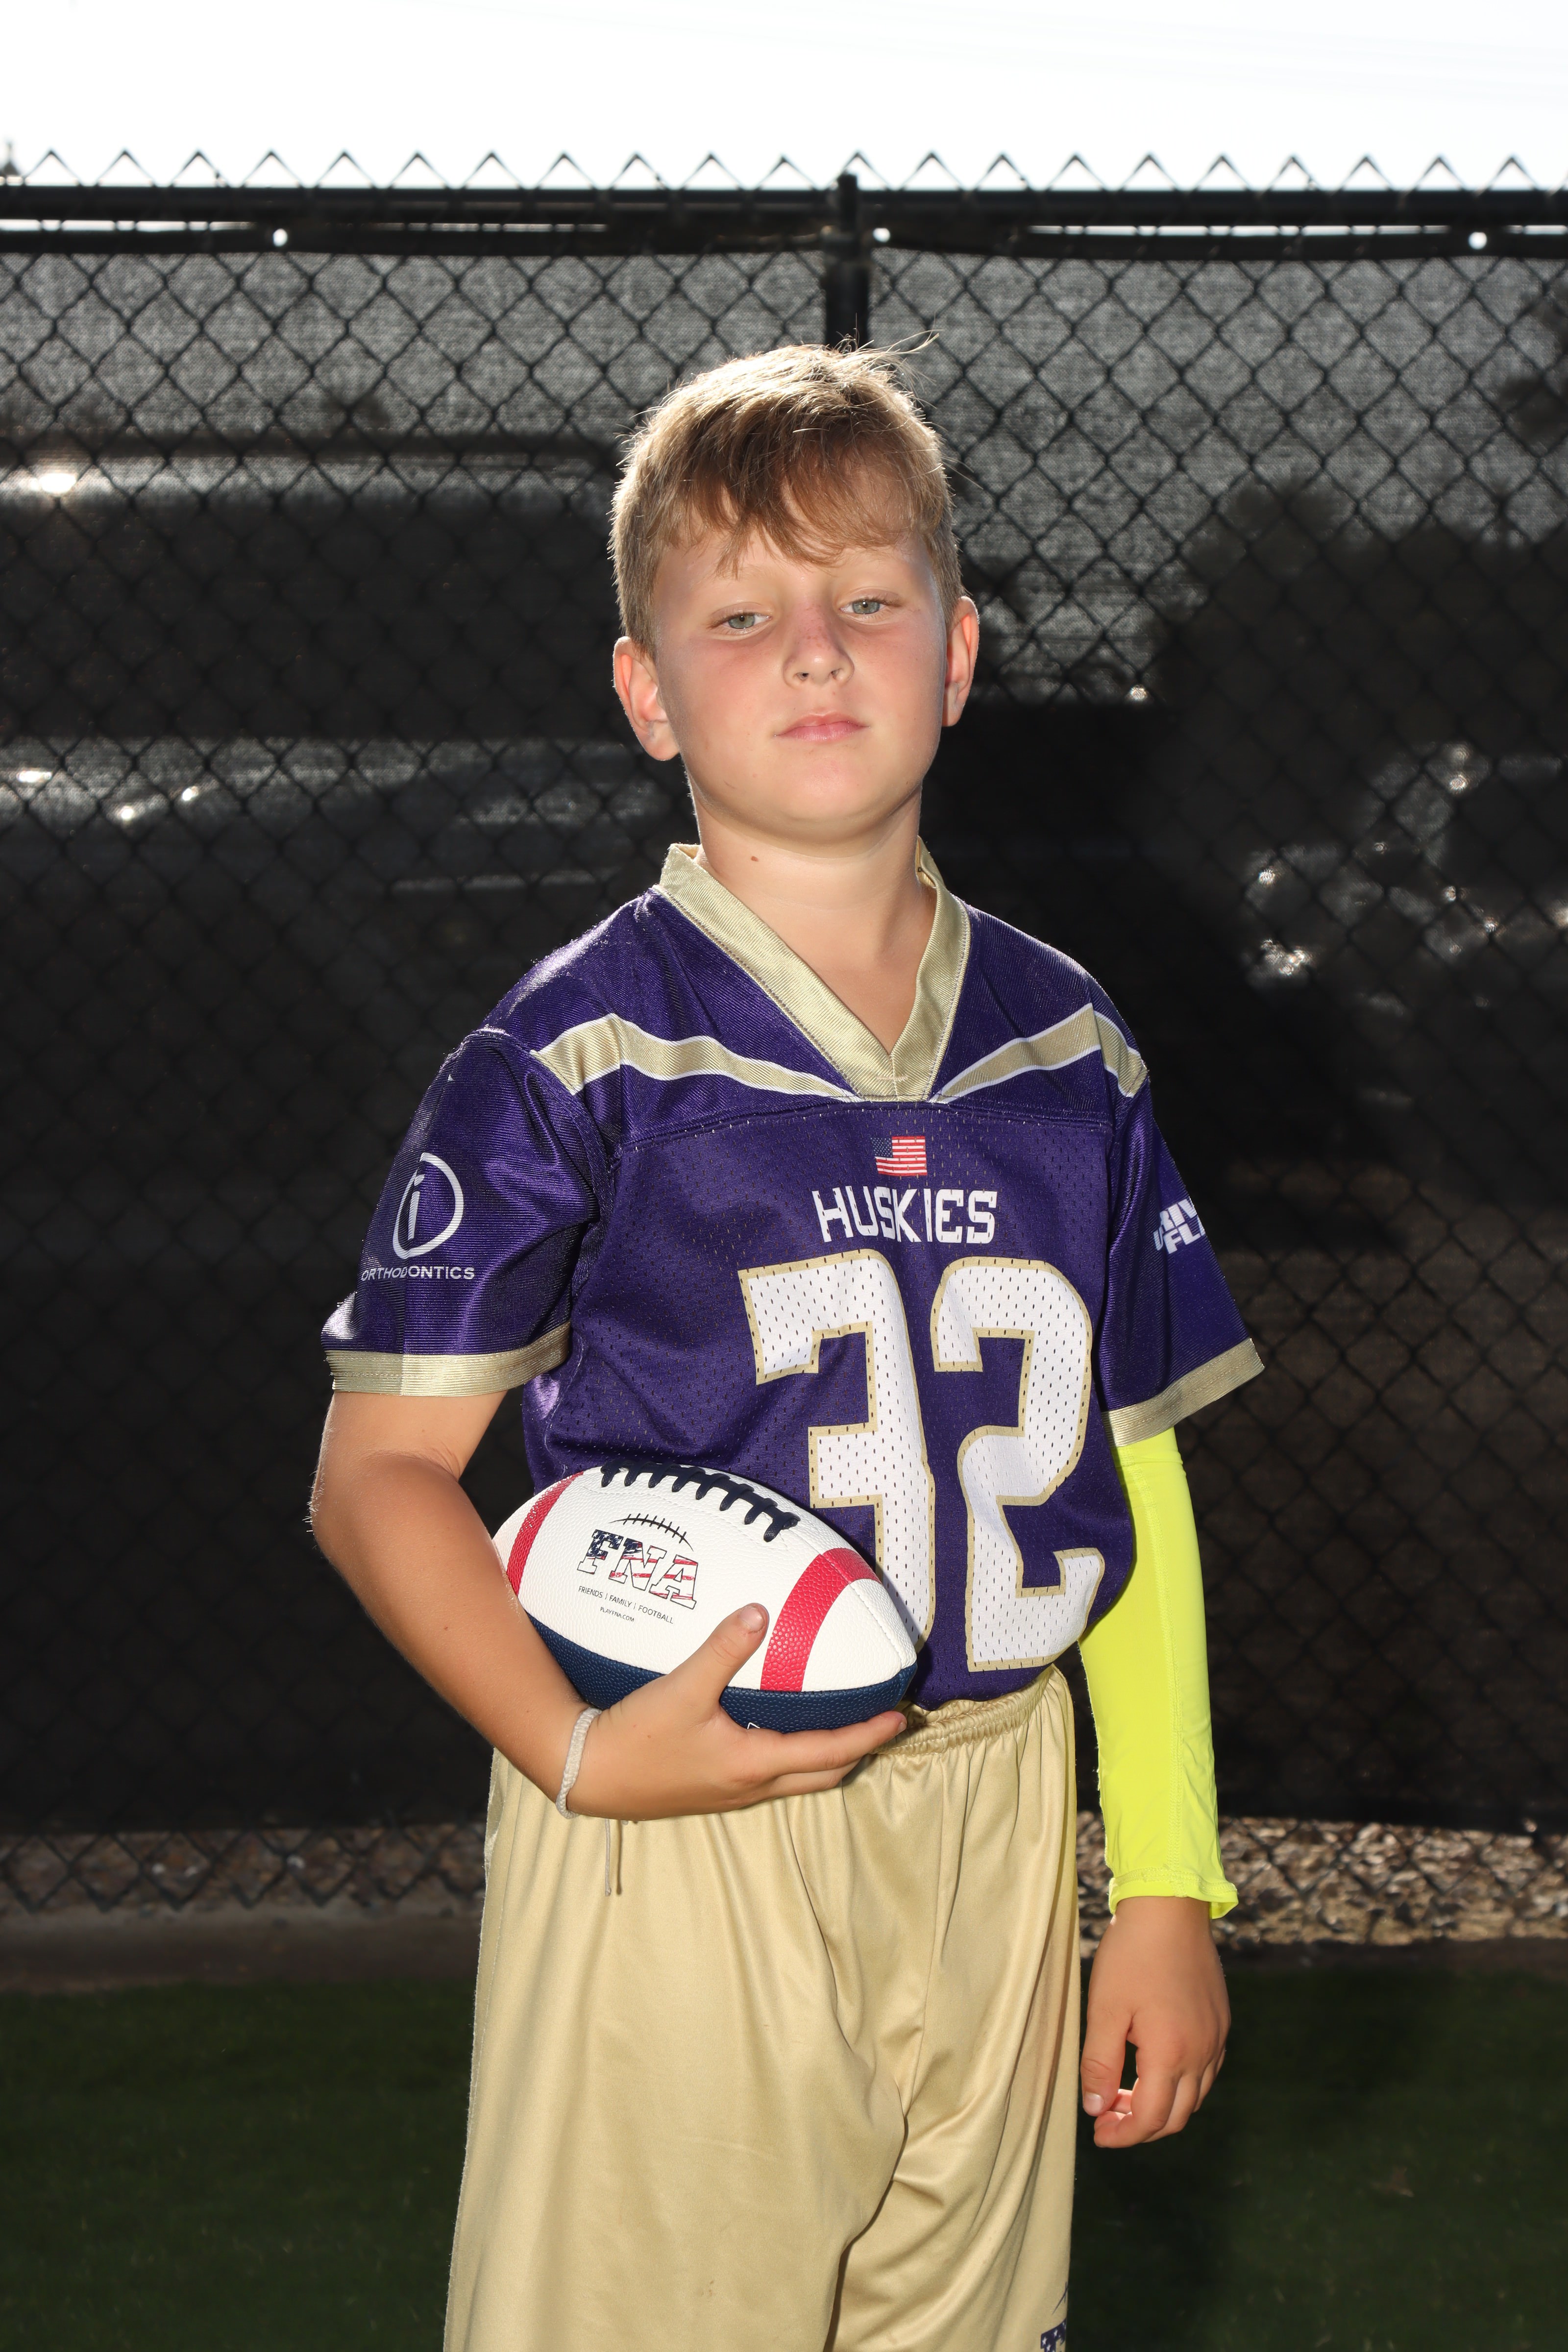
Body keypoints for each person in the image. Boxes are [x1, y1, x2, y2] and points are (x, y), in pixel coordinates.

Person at [310, 343, 1261, 2352]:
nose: (815, 649)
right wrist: (575, 1745)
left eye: (868, 598)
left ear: (958, 653)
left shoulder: (1069, 1051)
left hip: (1002, 1805)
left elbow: (1130, 1477)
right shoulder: (576, 1052)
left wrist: (1166, 1877)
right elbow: (377, 1478)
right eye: (740, 615)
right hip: (692, 1806)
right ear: (647, 691)